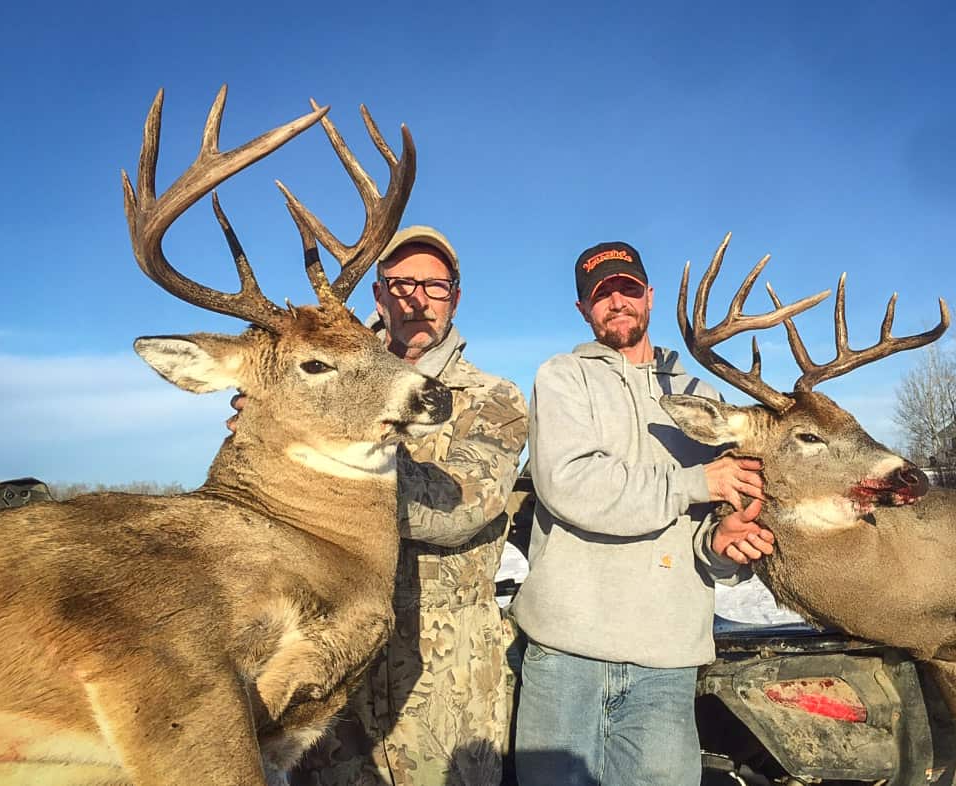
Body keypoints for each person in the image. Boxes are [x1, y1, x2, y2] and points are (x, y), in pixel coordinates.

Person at [233, 225, 528, 786]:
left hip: (447, 679)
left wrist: (303, 453)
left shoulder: (493, 399)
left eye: (436, 287)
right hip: (326, 665)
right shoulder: (307, 379)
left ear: (455, 299)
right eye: (401, 283)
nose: (417, 299)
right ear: (377, 295)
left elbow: (458, 507)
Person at [510, 241, 774, 786]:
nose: (617, 302)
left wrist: (721, 544)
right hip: (566, 653)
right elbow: (570, 483)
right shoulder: (563, 378)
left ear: (649, 296)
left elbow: (710, 529)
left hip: (666, 659)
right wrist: (694, 481)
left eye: (628, 288)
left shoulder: (700, 396)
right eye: (601, 294)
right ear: (584, 309)